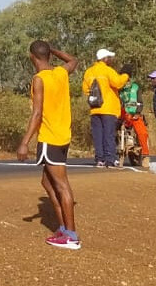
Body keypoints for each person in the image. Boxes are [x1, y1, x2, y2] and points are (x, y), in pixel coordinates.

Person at [16, 40, 80, 249]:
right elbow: (73, 60)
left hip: (50, 137)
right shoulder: (60, 73)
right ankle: (63, 228)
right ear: (49, 55)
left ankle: (71, 235)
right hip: (62, 136)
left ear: (31, 57)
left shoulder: (39, 79)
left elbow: (37, 113)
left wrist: (25, 142)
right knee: (47, 182)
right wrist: (51, 49)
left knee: (62, 186)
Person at [81, 47, 128, 167]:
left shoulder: (89, 72)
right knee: (109, 134)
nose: (111, 59)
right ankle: (110, 158)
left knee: (98, 135)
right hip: (108, 108)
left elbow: (85, 89)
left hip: (95, 108)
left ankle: (99, 159)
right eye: (109, 57)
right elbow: (118, 83)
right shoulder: (108, 70)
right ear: (105, 59)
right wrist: (125, 75)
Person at [119, 73, 149, 164]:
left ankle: (145, 155)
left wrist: (137, 112)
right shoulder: (119, 89)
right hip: (124, 115)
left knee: (142, 132)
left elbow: (140, 102)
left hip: (135, 114)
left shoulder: (135, 87)